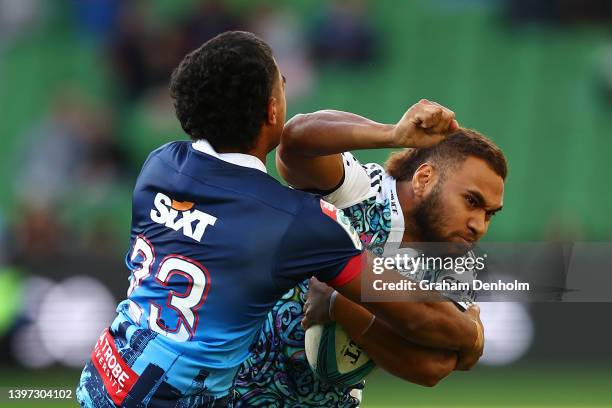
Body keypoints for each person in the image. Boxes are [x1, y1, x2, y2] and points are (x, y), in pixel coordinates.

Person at [76, 31, 483, 407]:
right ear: (272, 110)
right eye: (281, 84)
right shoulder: (296, 223)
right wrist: (471, 333)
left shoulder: (159, 166)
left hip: (105, 377)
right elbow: (419, 316)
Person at [235, 107, 506, 406]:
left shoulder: (456, 265)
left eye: (489, 214)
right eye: (471, 201)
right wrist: (392, 134)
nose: (478, 225)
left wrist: (343, 307)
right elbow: (295, 140)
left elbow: (432, 369)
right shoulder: (362, 190)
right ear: (424, 179)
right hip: (234, 389)